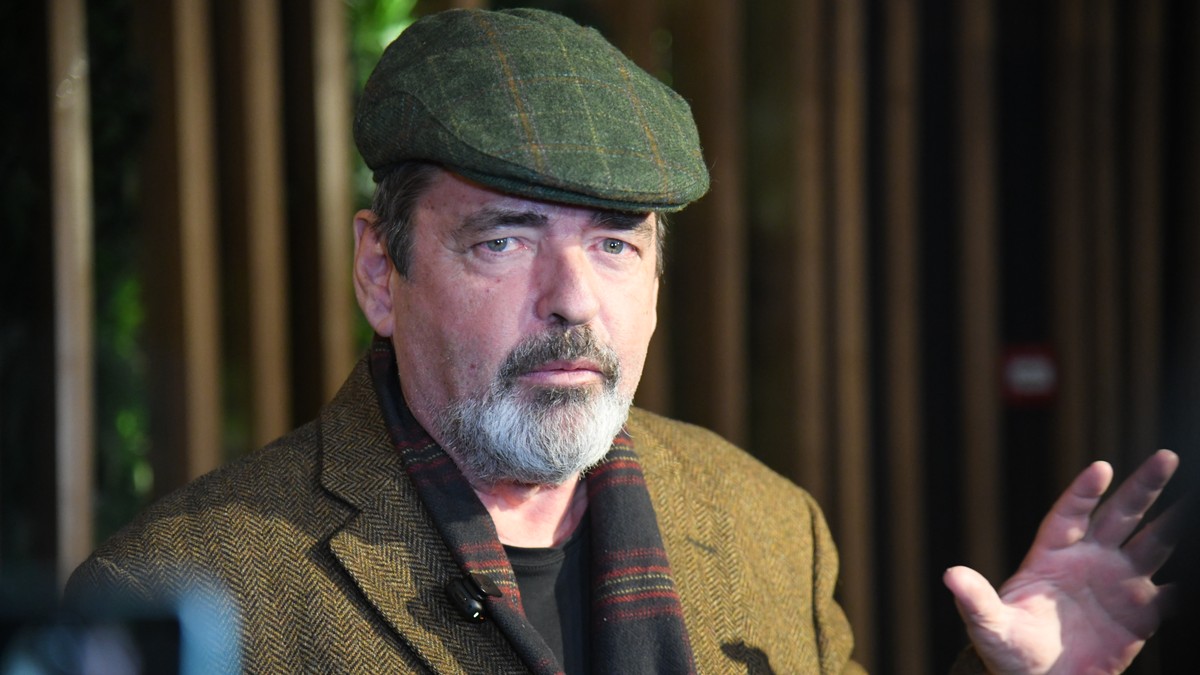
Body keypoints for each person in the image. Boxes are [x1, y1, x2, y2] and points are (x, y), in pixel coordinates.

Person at [67, 8, 1181, 674]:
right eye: (505, 240)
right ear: (379, 269)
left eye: (614, 245)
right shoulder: (186, 595)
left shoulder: (768, 526)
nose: (572, 302)